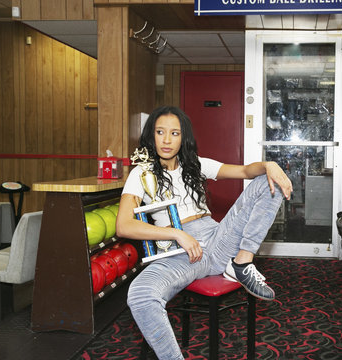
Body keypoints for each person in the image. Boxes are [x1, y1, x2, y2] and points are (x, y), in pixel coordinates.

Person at [116, 105, 292, 360]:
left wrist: (268, 165)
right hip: (179, 251)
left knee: (267, 181)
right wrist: (178, 234)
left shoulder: (196, 164)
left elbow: (243, 171)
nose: (167, 140)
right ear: (150, 135)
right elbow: (124, 225)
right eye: (160, 132)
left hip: (218, 240)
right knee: (140, 294)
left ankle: (241, 262)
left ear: (183, 137)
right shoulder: (140, 174)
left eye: (174, 133)